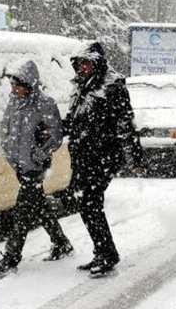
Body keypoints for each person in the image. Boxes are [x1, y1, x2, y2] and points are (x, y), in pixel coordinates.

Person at [63, 41, 144, 277]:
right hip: (82, 156)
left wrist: (135, 158)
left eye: (86, 63)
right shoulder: (80, 88)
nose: (81, 68)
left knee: (91, 204)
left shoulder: (112, 87)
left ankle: (108, 254)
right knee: (85, 205)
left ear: (97, 63)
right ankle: (103, 251)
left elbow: (126, 123)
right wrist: (53, 128)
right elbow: (74, 121)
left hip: (103, 156)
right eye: (78, 64)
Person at [0, 58, 74, 275]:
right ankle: (61, 242)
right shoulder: (14, 104)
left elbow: (55, 135)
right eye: (12, 85)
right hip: (20, 165)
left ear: (28, 83)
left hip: (35, 167)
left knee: (22, 212)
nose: (14, 89)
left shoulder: (44, 104)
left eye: (18, 85)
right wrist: (9, 152)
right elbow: (6, 130)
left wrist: (38, 154)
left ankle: (11, 257)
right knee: (39, 206)